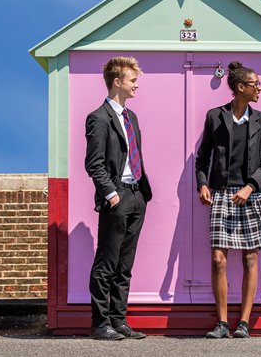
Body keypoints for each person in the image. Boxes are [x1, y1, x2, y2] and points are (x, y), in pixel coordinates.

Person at [195, 61, 261, 339]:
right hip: (222, 195)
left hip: (250, 195)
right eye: (255, 84)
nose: (260, 88)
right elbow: (203, 158)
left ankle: (244, 323)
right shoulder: (215, 117)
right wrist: (203, 184)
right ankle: (222, 323)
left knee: (250, 257)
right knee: (217, 260)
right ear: (240, 88)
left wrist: (250, 187)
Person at [85, 56, 152, 340]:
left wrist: (141, 195)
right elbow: (94, 163)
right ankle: (101, 325)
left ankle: (119, 321)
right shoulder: (98, 118)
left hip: (137, 195)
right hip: (117, 196)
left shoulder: (131, 117)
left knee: (125, 266)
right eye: (132, 80)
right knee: (106, 264)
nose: (136, 85)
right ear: (117, 82)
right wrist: (111, 195)